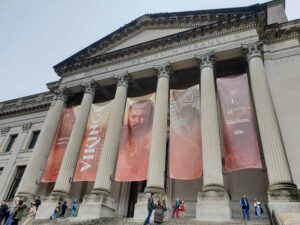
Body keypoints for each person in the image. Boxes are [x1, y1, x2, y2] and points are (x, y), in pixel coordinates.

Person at [115, 99, 154, 181]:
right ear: (127, 118)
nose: (138, 121)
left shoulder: (151, 145)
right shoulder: (121, 146)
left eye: (143, 117)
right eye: (133, 117)